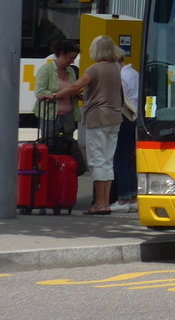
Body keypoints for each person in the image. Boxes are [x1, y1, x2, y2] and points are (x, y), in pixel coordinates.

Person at [41, 35, 125, 215]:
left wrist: (55, 96)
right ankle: (106, 203)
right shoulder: (116, 67)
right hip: (115, 118)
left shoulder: (95, 69)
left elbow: (75, 86)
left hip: (98, 119)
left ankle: (99, 204)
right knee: (108, 162)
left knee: (97, 161)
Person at [110, 49, 140, 213]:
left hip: (122, 118)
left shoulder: (121, 77)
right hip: (133, 119)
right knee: (128, 159)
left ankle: (123, 199)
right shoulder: (134, 73)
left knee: (119, 159)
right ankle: (133, 197)